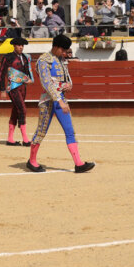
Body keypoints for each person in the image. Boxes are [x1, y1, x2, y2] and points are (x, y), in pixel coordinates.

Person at [26, 34, 94, 173]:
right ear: (55, 47)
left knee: (70, 131)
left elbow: (66, 77)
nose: (64, 53)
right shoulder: (43, 60)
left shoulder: (60, 59)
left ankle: (78, 164)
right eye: (62, 50)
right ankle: (31, 161)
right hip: (48, 101)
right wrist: (59, 100)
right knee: (41, 131)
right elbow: (46, 83)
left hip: (61, 99)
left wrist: (69, 85)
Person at [0, 36, 33, 146]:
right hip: (13, 88)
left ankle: (10, 139)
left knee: (16, 111)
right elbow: (1, 74)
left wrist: (29, 79)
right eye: (19, 45)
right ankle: (25, 139)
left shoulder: (26, 57)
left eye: (22, 45)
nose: (21, 47)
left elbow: (27, 72)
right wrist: (2, 90)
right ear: (14, 46)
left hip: (22, 87)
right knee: (22, 109)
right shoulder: (8, 57)